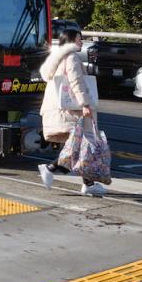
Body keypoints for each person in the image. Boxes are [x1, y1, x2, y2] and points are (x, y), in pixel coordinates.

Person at [37, 29, 103, 195]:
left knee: (78, 147)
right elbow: (76, 82)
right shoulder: (71, 57)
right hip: (71, 111)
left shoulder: (57, 59)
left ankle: (88, 184)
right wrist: (86, 103)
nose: (81, 42)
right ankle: (50, 169)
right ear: (71, 41)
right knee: (80, 146)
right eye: (79, 39)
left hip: (60, 110)